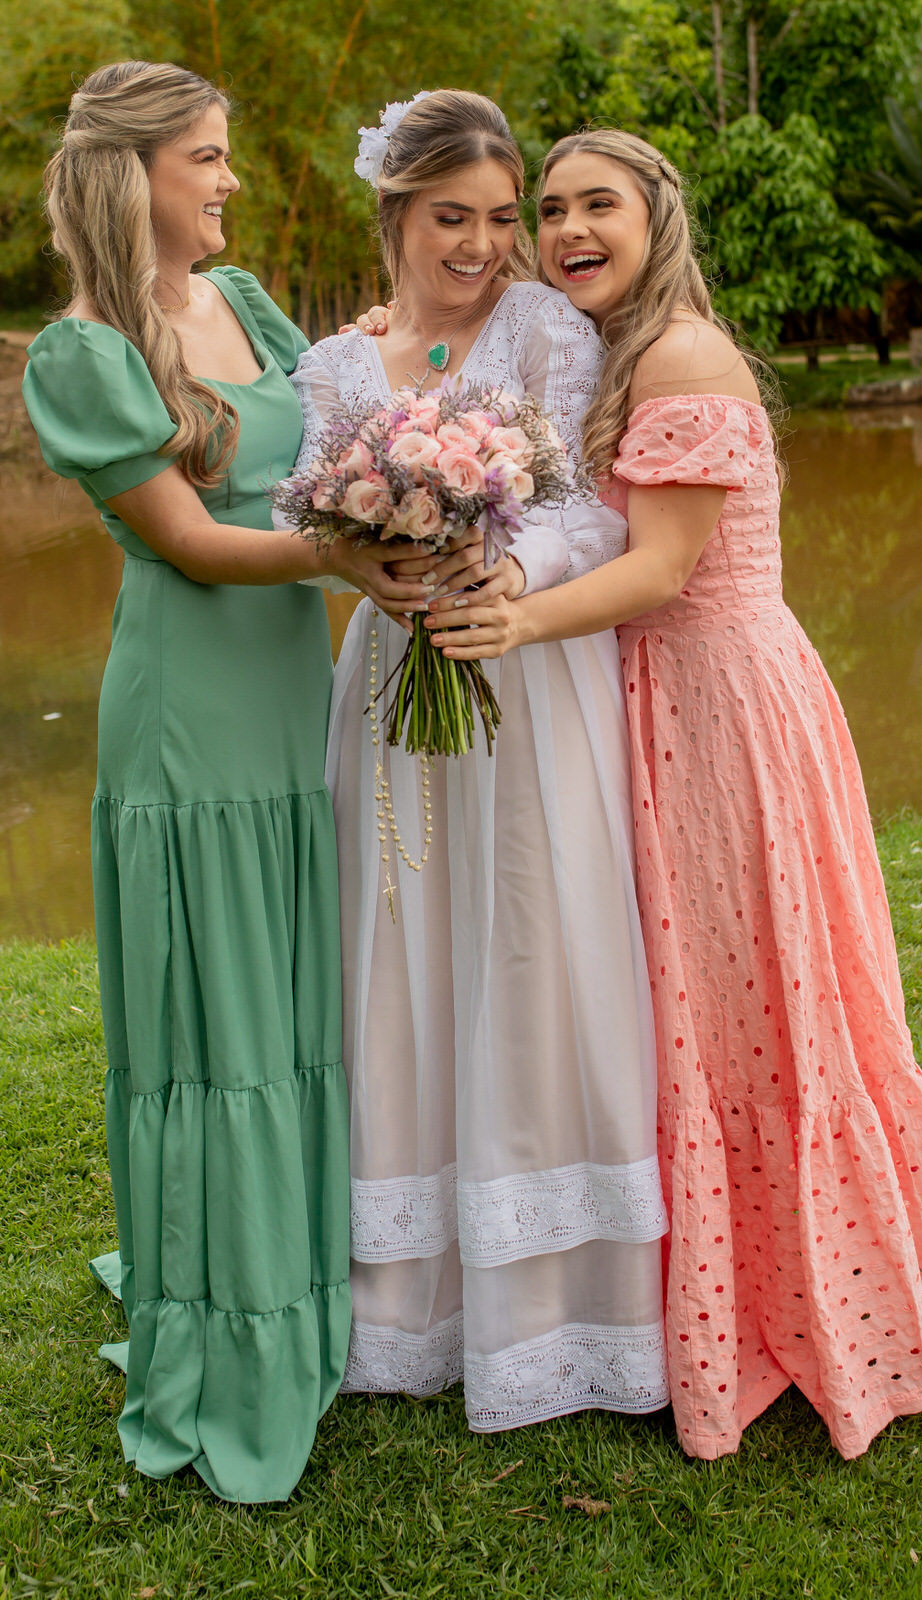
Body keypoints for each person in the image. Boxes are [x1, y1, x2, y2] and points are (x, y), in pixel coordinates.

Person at [420, 128, 922, 1461]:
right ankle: (696, 1294)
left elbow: (661, 569)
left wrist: (509, 620)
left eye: (599, 203)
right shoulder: (605, 348)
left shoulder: (689, 358)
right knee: (689, 1007)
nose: (566, 228)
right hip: (652, 708)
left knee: (752, 999)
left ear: (660, 214)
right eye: (551, 210)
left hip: (721, 710)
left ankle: (811, 1285)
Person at [19, 61, 421, 1502]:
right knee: (220, 1021)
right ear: (135, 176)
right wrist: (343, 555)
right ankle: (227, 1320)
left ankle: (303, 1275)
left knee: (289, 1001)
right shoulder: (79, 354)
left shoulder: (243, 306)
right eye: (206, 157)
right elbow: (191, 540)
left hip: (286, 700)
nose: (230, 179)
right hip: (189, 714)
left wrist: (415, 446)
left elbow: (323, 437)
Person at [287, 91, 670, 1431]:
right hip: (392, 684)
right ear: (395, 213)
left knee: (530, 940)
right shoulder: (336, 369)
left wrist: (502, 568)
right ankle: (407, 1307)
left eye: (502, 219)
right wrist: (371, 559)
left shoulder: (545, 329)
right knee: (398, 948)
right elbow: (316, 522)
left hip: (525, 673)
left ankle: (562, 1311)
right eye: (454, 218)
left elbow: (593, 507)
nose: (484, 246)